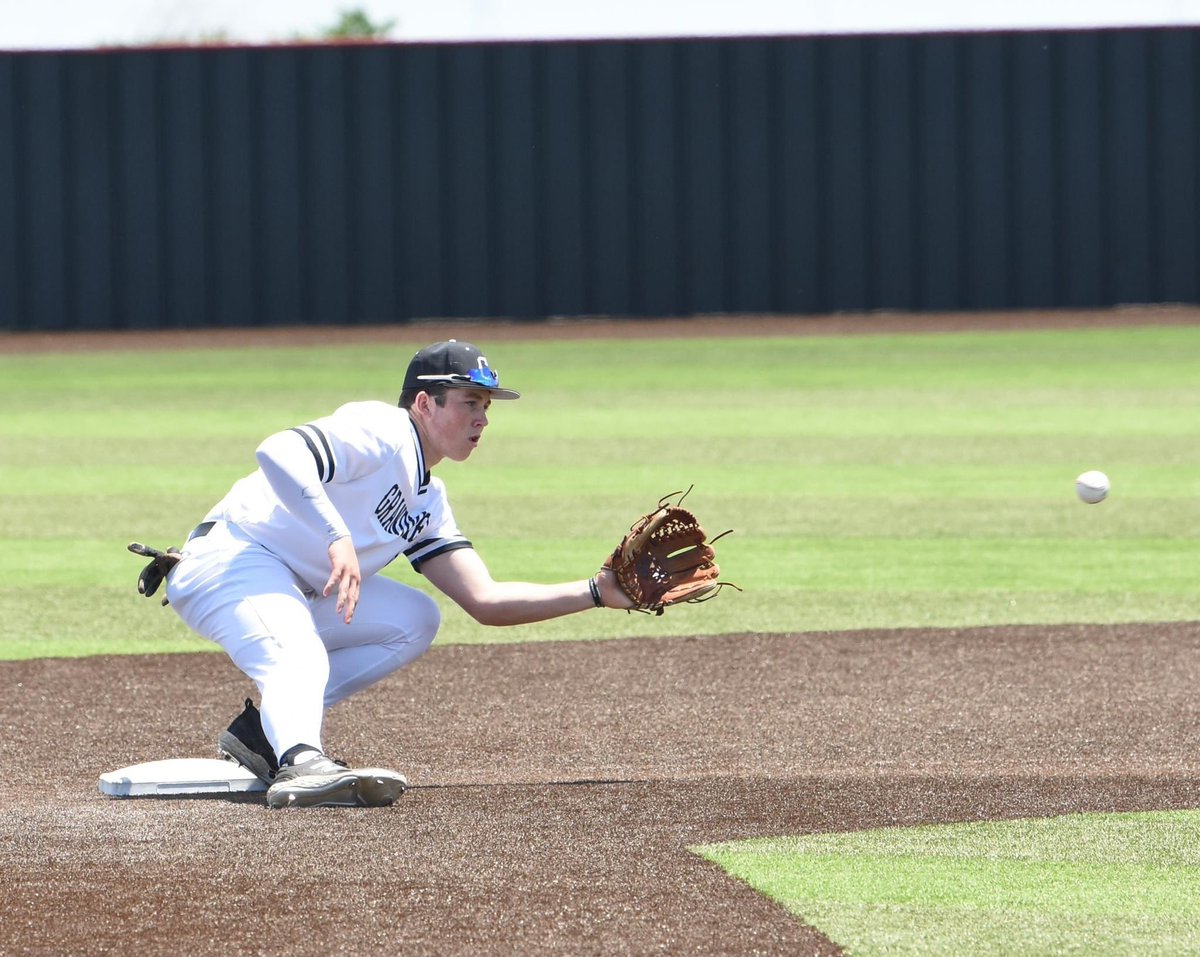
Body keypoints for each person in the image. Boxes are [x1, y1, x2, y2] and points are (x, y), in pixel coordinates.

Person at [162, 339, 632, 808]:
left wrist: (595, 592)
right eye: (470, 402)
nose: (483, 419)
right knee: (297, 651)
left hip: (292, 581)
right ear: (425, 403)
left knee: (415, 618)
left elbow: (485, 600)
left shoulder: (428, 499)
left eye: (486, 406)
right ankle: (302, 760)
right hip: (230, 558)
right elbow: (277, 450)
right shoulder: (383, 429)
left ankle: (269, 736)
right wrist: (334, 535)